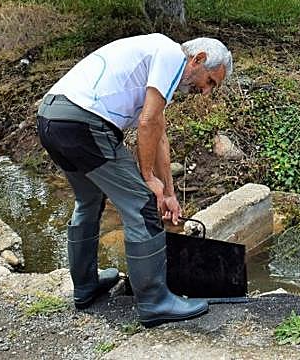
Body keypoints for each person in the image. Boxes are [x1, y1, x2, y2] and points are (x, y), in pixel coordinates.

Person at [36, 33, 232, 326]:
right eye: (210, 82)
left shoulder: (156, 59)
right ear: (198, 59)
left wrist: (168, 192)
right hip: (84, 122)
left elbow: (158, 131)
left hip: (52, 117)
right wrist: (148, 179)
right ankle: (154, 302)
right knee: (142, 204)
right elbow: (147, 123)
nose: (205, 91)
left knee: (88, 199)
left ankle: (86, 287)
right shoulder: (170, 55)